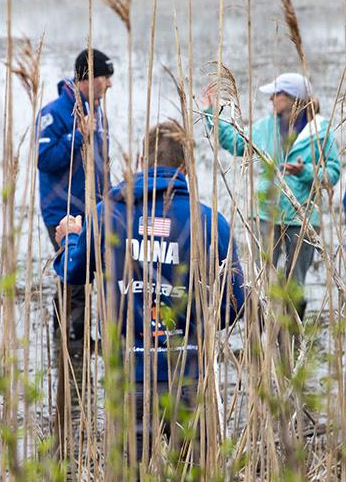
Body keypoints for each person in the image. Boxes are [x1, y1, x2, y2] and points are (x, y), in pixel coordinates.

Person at [54, 120, 245, 468]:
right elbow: (235, 304)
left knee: (130, 472)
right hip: (190, 371)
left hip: (130, 374)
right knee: (197, 471)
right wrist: (197, 324)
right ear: (186, 167)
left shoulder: (107, 214)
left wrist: (69, 238)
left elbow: (73, 273)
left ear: (142, 159)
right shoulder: (209, 222)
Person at [202, 73, 340, 324]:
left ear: (294, 99)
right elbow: (234, 142)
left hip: (303, 217)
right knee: (258, 277)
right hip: (265, 213)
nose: (272, 99)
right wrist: (212, 115)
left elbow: (333, 172)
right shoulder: (265, 127)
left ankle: (292, 337)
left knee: (294, 282)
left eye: (277, 95)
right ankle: (259, 340)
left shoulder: (321, 131)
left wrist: (306, 172)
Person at [36, 48, 113, 343]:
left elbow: (100, 161)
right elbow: (44, 158)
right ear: (89, 78)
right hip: (61, 209)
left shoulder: (97, 111)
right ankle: (71, 338)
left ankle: (74, 335)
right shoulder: (54, 113)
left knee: (85, 271)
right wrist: (78, 135)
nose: (109, 84)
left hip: (93, 207)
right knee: (76, 272)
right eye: (105, 77)